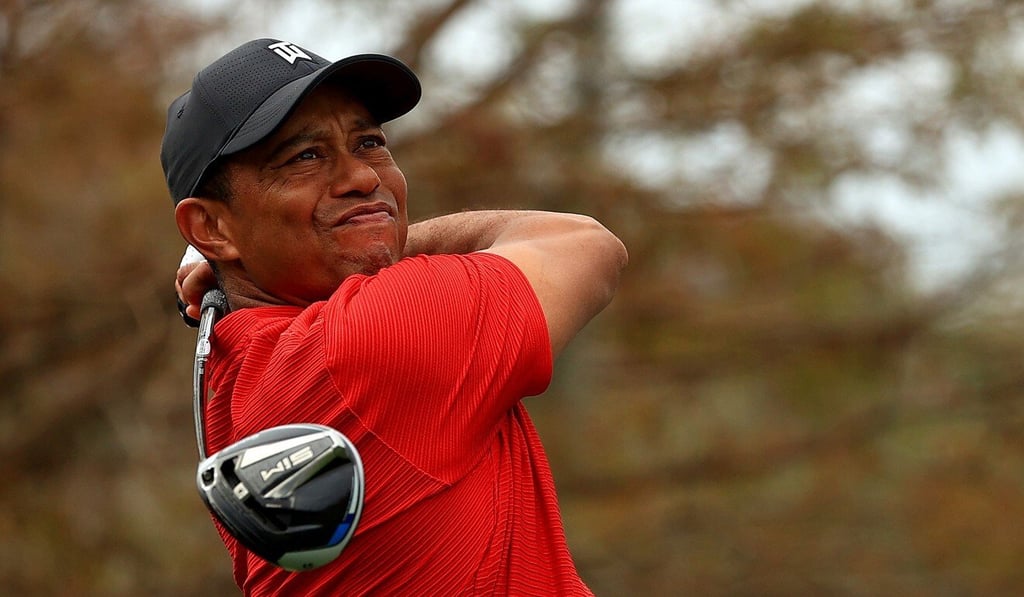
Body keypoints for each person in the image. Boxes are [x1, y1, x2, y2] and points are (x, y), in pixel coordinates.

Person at [163, 38, 627, 596]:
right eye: (304, 156)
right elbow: (584, 244)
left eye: (370, 142)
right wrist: (383, 234)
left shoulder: (235, 367)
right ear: (211, 228)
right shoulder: (370, 338)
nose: (361, 176)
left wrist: (355, 235)